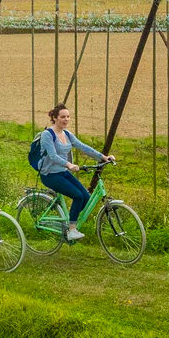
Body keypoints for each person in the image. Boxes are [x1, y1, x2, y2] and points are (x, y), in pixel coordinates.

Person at [37, 104, 114, 242]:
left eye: (68, 116)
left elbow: (83, 147)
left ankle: (69, 223)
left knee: (86, 197)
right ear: (55, 118)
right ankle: (71, 229)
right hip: (50, 175)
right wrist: (69, 164)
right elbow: (53, 156)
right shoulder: (47, 135)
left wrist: (103, 157)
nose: (66, 119)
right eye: (63, 117)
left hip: (62, 172)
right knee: (78, 196)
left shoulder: (67, 134)